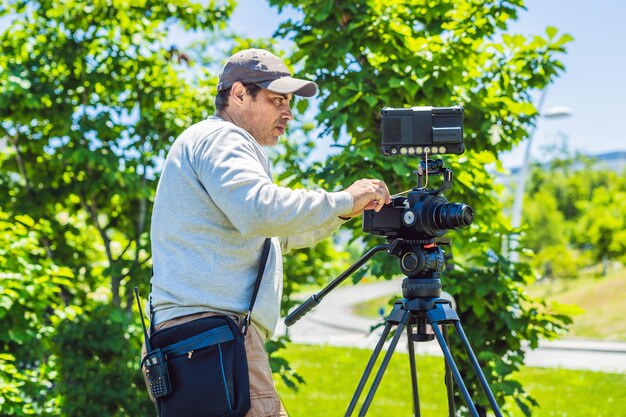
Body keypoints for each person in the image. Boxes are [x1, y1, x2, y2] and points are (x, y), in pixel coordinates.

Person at [148, 48, 390, 417]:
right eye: (277, 100)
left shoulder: (207, 142)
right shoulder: (223, 138)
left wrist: (345, 212)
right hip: (216, 336)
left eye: (290, 103)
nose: (288, 114)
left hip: (198, 339)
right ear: (239, 93)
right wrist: (342, 198)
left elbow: (275, 235)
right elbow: (261, 210)